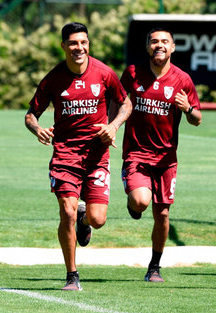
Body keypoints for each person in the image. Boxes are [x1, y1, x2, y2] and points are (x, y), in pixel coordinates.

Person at [24, 22, 132, 291]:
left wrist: (113, 126)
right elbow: (30, 115)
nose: (79, 48)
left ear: (88, 44)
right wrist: (38, 129)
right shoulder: (53, 79)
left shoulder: (104, 73)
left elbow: (126, 103)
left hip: (97, 156)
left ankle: (86, 221)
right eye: (73, 43)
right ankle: (72, 275)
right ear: (63, 46)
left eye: (83, 42)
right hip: (65, 155)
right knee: (67, 213)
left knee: (97, 219)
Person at [119, 27, 202, 282]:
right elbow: (118, 101)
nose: (159, 45)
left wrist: (188, 108)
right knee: (142, 202)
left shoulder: (182, 80)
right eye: (154, 41)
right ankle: (134, 202)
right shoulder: (133, 73)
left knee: (163, 214)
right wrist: (112, 125)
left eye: (164, 41)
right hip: (136, 154)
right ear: (147, 47)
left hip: (167, 158)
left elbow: (197, 119)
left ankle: (154, 266)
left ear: (173, 47)